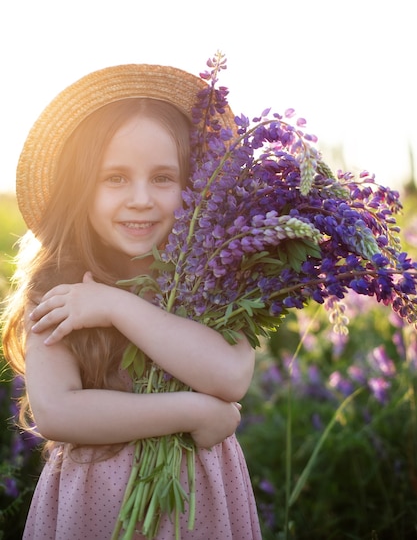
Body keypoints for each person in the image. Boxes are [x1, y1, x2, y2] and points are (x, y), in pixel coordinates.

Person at [1, 64, 262, 540]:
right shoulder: (57, 285)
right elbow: (57, 411)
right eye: (115, 178)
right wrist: (193, 412)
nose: (140, 199)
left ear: (195, 189)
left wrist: (116, 307)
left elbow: (230, 374)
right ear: (81, 189)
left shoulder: (213, 281)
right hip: (97, 503)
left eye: (163, 177)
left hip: (198, 500)